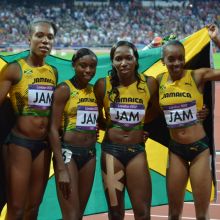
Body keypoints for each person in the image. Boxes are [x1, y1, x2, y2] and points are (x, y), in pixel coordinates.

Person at [156, 24, 220, 220]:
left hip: (199, 149)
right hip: (175, 150)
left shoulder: (196, 75)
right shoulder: (157, 81)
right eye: (171, 59)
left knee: (202, 215)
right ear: (163, 60)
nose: (176, 63)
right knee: (174, 213)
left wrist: (217, 40)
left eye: (180, 58)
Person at [94, 40, 159, 220]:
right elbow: (96, 115)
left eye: (129, 58)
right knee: (115, 213)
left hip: (136, 152)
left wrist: (139, 126)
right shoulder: (102, 85)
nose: (124, 63)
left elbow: (156, 111)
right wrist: (111, 126)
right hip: (111, 153)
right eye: (118, 58)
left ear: (136, 60)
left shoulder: (150, 84)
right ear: (112, 62)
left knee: (142, 212)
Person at [0, 19, 57, 220]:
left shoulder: (52, 72)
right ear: (29, 39)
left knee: (33, 207)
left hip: (43, 146)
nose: (45, 41)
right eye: (39, 36)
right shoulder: (15, 69)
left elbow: (52, 112)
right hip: (19, 144)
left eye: (50, 37)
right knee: (15, 207)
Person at [49, 48, 98, 220]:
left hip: (90, 155)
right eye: (82, 66)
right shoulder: (64, 89)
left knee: (78, 215)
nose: (88, 71)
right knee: (70, 215)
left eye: (92, 66)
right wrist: (61, 167)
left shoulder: (95, 91)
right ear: (73, 65)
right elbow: (52, 129)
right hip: (68, 154)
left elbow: (100, 121)